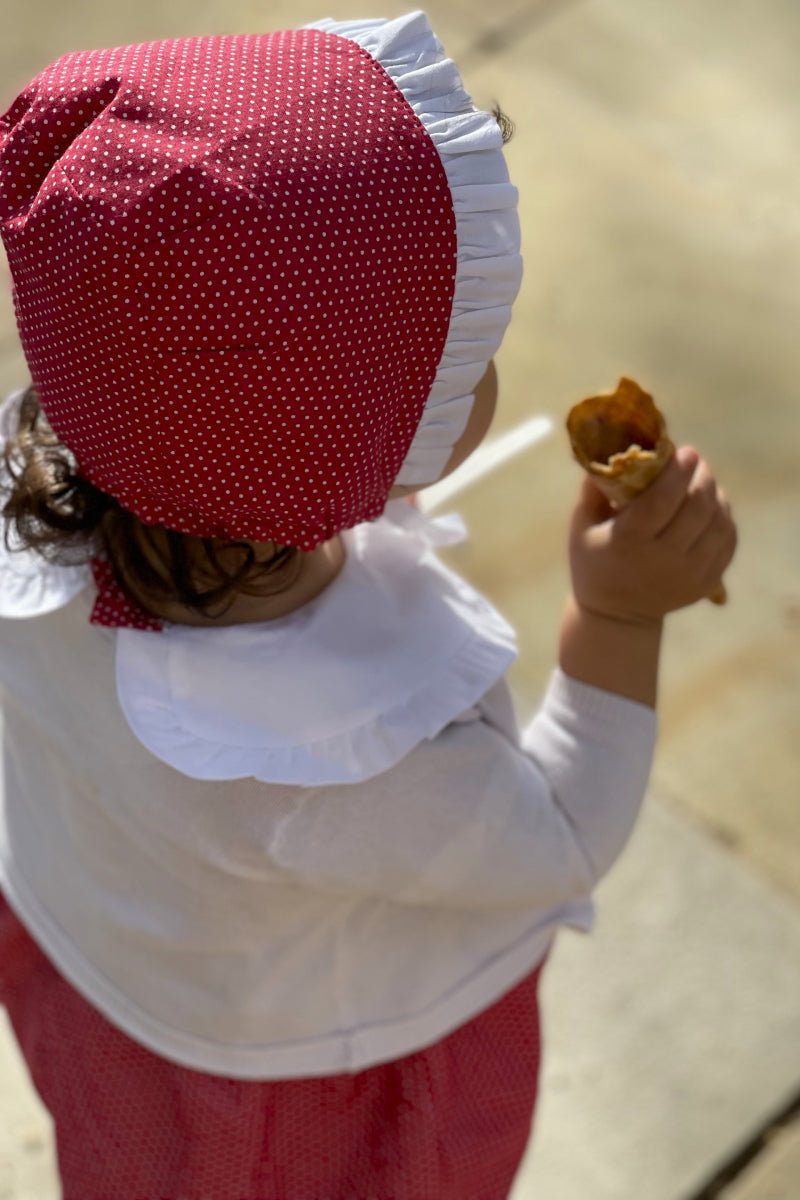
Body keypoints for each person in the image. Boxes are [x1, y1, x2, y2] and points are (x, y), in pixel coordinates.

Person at [0, 11, 737, 1200]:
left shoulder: (61, 464)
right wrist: (619, 617)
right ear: (336, 438)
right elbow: (553, 842)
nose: (487, 372)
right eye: (462, 358)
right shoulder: (329, 749)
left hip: (116, 1002)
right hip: (300, 1101)